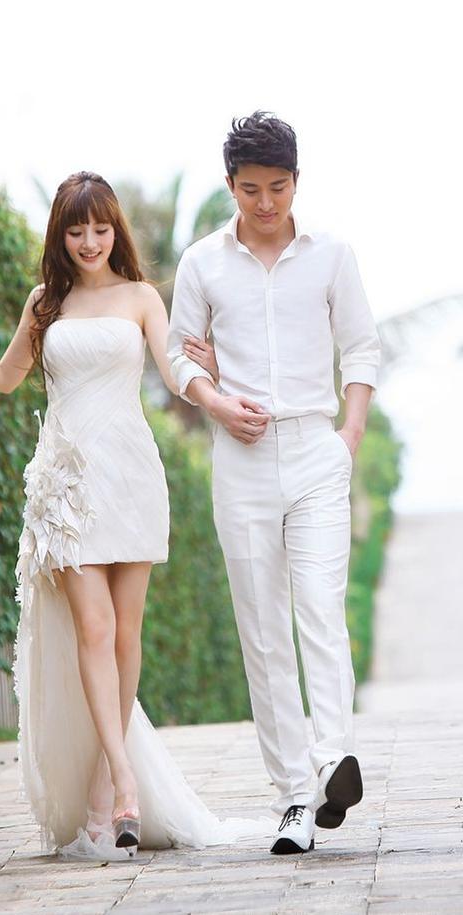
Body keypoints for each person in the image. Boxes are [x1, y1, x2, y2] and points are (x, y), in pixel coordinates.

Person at [0, 171, 270, 860]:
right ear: (60, 235)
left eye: (101, 228)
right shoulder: (45, 302)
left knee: (125, 636)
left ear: (116, 231)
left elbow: (177, 374)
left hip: (132, 475)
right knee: (94, 626)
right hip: (67, 487)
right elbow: (6, 376)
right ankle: (124, 779)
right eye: (76, 229)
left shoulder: (141, 297)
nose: (89, 242)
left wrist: (219, 383)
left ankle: (102, 790)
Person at [170, 112, 380, 855]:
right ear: (231, 184)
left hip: (318, 450)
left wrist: (348, 439)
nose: (266, 203)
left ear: (297, 180)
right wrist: (218, 402)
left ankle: (333, 759)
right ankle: (295, 796)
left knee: (320, 608)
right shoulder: (202, 262)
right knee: (263, 630)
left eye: (279, 187)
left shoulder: (332, 256)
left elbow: (361, 348)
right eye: (252, 189)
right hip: (242, 460)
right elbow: (179, 357)